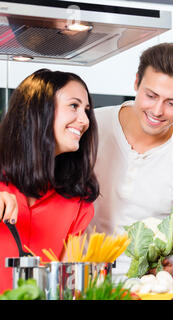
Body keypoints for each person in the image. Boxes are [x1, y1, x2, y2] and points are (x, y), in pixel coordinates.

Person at [89, 42, 173, 278]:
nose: (157, 111)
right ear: (136, 82)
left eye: (172, 103)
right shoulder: (91, 127)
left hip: (150, 291)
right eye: (151, 95)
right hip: (79, 283)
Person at [0, 69, 99, 293]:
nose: (84, 121)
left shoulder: (79, 202)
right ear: (39, 110)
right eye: (74, 106)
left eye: (86, 111)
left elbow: (68, 289)